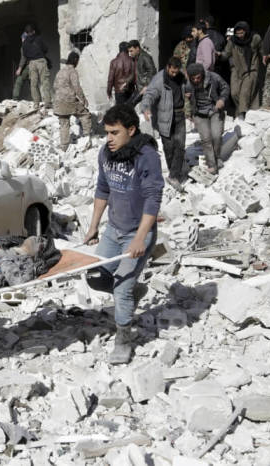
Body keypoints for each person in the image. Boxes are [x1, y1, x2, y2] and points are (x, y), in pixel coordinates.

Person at [83, 104, 163, 365]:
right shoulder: (106, 153)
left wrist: (141, 238)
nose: (109, 138)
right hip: (113, 230)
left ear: (131, 129)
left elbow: (153, 199)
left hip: (137, 233)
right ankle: (132, 292)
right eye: (106, 132)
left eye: (115, 133)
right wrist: (94, 226)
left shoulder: (146, 156)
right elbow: (102, 189)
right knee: (94, 277)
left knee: (121, 289)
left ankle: (124, 340)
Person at [142, 57, 188, 191]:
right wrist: (146, 108)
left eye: (176, 72)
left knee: (180, 145)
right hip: (164, 117)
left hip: (179, 115)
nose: (174, 74)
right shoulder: (159, 80)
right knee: (169, 147)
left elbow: (188, 87)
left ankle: (174, 176)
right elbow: (149, 94)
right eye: (172, 72)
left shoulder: (181, 76)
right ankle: (173, 169)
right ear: (167, 67)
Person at [185, 63, 230, 175]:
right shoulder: (187, 84)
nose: (196, 80)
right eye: (193, 78)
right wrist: (188, 111)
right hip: (199, 113)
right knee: (206, 139)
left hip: (214, 109)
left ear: (203, 75)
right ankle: (212, 165)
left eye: (198, 78)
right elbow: (184, 99)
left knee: (216, 136)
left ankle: (217, 157)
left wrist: (222, 99)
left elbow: (225, 87)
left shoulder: (214, 77)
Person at [219, 21, 262, 118]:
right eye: (237, 33)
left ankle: (242, 115)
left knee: (244, 93)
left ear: (246, 31)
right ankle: (243, 110)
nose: (239, 36)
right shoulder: (232, 41)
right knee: (234, 93)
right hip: (236, 70)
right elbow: (226, 54)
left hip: (250, 69)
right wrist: (219, 55)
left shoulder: (255, 38)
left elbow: (262, 49)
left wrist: (265, 56)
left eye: (241, 33)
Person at [53, 51, 92, 151]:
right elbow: (76, 87)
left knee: (64, 122)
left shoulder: (60, 71)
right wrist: (83, 99)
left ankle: (64, 146)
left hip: (58, 102)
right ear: (75, 60)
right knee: (85, 114)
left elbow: (54, 86)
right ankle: (87, 139)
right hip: (69, 101)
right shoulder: (72, 71)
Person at [20, 24, 52, 108]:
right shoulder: (39, 38)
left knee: (33, 84)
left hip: (31, 63)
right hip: (41, 61)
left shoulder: (24, 43)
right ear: (33, 31)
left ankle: (36, 103)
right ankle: (47, 102)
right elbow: (46, 49)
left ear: (26, 33)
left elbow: (25, 55)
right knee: (44, 82)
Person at [128, 40, 157, 104]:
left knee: (130, 105)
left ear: (137, 48)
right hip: (139, 87)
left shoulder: (144, 57)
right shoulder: (137, 58)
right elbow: (137, 73)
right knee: (128, 104)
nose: (130, 53)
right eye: (129, 51)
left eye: (131, 51)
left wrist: (146, 86)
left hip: (144, 88)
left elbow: (152, 71)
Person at [12, 32, 31, 100]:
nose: (22, 40)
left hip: (28, 66)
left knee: (18, 81)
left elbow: (23, 58)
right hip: (35, 65)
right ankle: (38, 100)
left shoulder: (24, 46)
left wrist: (19, 69)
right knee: (33, 83)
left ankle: (15, 98)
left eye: (22, 39)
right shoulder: (34, 44)